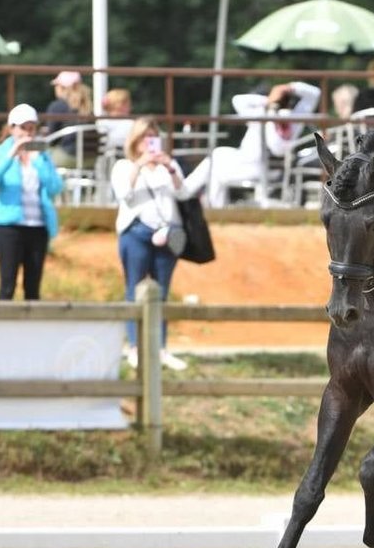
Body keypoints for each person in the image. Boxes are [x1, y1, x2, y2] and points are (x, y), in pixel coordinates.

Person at [110, 117, 192, 371]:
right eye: (144, 137)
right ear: (135, 141)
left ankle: (161, 349)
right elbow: (124, 193)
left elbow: (185, 194)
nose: (149, 141)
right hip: (136, 232)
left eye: (153, 136)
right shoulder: (124, 166)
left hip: (169, 234)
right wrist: (140, 165)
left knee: (162, 292)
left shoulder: (170, 165)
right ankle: (134, 347)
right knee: (135, 289)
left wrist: (169, 168)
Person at [183, 80, 321, 208]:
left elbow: (237, 100)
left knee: (215, 170)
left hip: (258, 169)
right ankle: (188, 192)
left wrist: (281, 93)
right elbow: (314, 93)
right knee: (217, 154)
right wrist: (283, 92)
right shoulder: (291, 118)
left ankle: (204, 203)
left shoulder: (267, 115)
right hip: (258, 166)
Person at [0, 103, 64, 301]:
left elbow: (55, 187)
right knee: (7, 285)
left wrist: (36, 161)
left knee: (33, 289)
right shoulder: (0, 153)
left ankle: (32, 331)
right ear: (12, 129)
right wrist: (12, 155)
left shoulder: (42, 156)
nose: (27, 133)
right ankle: (1, 328)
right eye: (22, 128)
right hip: (9, 227)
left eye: (31, 128)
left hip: (37, 227)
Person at [45, 70, 94, 167]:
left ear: (62, 88)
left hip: (68, 157)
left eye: (57, 85)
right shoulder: (89, 107)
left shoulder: (57, 106)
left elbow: (51, 140)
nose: (55, 88)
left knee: (39, 155)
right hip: (91, 158)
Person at [96, 87, 134, 153]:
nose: (130, 106)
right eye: (127, 103)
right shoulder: (130, 124)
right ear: (120, 105)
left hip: (103, 159)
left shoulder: (99, 123)